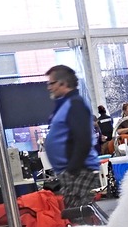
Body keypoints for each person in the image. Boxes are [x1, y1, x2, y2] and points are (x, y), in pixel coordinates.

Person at [43, 64, 101, 209]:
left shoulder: (75, 105)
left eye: (51, 83)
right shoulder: (67, 105)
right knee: (77, 215)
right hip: (74, 173)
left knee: (82, 216)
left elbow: (84, 140)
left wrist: (72, 170)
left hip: (80, 172)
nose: (49, 87)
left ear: (63, 83)